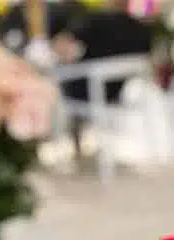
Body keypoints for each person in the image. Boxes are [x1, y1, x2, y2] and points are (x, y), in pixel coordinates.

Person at [52, 0, 153, 159]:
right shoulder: (141, 29)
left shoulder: (95, 21)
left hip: (86, 90)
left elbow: (62, 45)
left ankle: (74, 144)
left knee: (61, 82)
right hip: (118, 92)